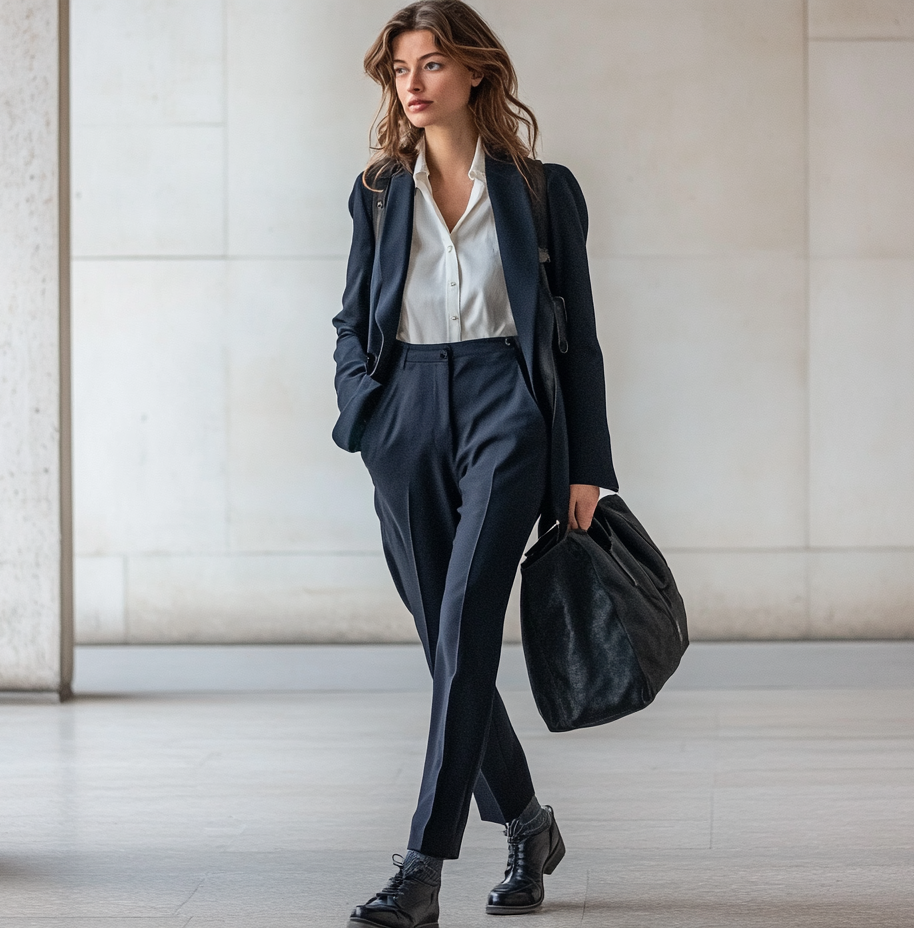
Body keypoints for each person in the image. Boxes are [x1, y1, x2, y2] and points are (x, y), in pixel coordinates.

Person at [331, 2, 617, 925]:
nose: (412, 84)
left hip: (509, 410)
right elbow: (351, 320)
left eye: (431, 65)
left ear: (478, 73)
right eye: (401, 69)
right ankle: (528, 825)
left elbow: (579, 340)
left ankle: (421, 868)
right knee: (445, 645)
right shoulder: (378, 191)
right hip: (404, 414)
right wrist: (363, 411)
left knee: (465, 629)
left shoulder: (543, 190)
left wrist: (587, 465)